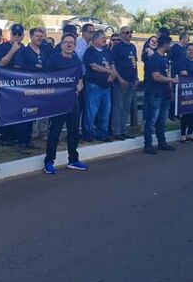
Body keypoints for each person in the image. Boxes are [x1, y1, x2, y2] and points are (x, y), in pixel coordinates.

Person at [43, 33, 88, 174]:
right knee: (54, 133)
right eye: (66, 42)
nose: (69, 45)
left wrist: (80, 85)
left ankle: (73, 160)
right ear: (61, 44)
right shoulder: (53, 60)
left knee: (74, 132)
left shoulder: (76, 60)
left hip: (73, 101)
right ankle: (49, 161)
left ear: (75, 46)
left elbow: (80, 78)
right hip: (57, 102)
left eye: (72, 43)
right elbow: (45, 79)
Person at [9, 26, 48, 154]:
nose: (39, 38)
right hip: (25, 89)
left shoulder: (43, 51)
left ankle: (29, 139)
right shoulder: (23, 52)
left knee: (33, 114)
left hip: (38, 90)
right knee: (24, 115)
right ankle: (21, 143)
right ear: (31, 37)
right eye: (37, 36)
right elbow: (17, 68)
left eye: (41, 36)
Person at [143, 35, 178, 154]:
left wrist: (171, 90)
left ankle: (162, 142)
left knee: (162, 121)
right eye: (170, 44)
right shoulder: (154, 59)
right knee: (151, 120)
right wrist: (172, 81)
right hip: (155, 94)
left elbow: (165, 75)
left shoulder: (164, 58)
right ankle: (148, 145)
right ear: (166, 44)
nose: (170, 47)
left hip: (165, 94)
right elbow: (156, 76)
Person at [82, 31, 116, 142]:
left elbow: (112, 64)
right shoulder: (89, 52)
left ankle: (102, 134)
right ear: (95, 39)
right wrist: (110, 71)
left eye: (105, 38)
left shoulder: (107, 51)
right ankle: (88, 134)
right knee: (91, 111)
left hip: (107, 87)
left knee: (105, 111)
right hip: (94, 86)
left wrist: (113, 74)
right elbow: (94, 67)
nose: (105, 40)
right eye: (102, 38)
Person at [0, 24, 24, 147]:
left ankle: (17, 135)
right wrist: (12, 51)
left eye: (19, 34)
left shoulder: (24, 48)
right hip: (5, 85)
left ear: (22, 35)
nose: (16, 36)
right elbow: (1, 63)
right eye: (14, 34)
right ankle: (5, 137)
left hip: (20, 85)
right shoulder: (2, 47)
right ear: (11, 34)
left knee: (18, 111)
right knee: (7, 111)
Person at [110, 26, 138, 140]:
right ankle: (116, 131)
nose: (129, 34)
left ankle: (123, 129)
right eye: (127, 33)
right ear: (121, 34)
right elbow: (113, 64)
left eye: (131, 32)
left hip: (131, 80)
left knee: (126, 107)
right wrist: (120, 79)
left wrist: (136, 78)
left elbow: (134, 63)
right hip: (120, 82)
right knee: (118, 107)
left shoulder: (132, 47)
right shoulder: (117, 47)